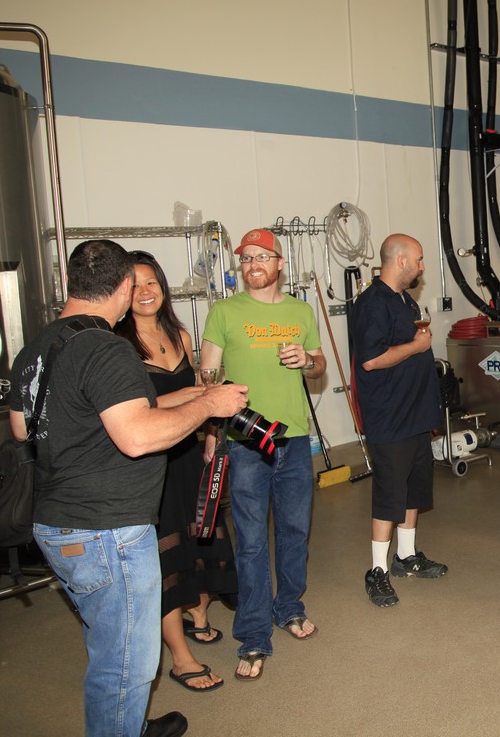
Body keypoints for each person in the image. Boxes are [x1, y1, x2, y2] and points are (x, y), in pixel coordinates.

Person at [10, 239, 247, 737]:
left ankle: (127, 724)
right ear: (123, 285)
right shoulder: (106, 347)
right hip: (107, 529)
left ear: (70, 283)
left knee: (108, 644)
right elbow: (138, 437)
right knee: (127, 666)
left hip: (55, 524)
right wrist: (209, 406)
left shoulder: (38, 346)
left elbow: (21, 427)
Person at [200, 228, 327, 681]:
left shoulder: (300, 310)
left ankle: (289, 606)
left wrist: (307, 361)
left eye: (261, 257)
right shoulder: (223, 311)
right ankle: (253, 633)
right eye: (246, 258)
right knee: (251, 542)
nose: (253, 264)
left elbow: (319, 366)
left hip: (293, 439)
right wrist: (211, 431)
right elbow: (206, 378)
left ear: (279, 264)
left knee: (295, 531)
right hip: (246, 442)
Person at [115, 250, 238, 693]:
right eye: (135, 285)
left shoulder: (180, 334)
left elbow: (204, 394)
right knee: (164, 557)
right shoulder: (119, 345)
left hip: (188, 455)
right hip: (149, 464)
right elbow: (136, 409)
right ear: (122, 292)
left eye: (152, 282)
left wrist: (212, 434)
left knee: (200, 536)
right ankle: (181, 658)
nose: (145, 292)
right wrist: (191, 396)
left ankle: (198, 611)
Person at [348, 233, 447, 608]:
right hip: (389, 417)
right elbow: (371, 360)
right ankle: (377, 570)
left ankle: (406, 557)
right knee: (390, 494)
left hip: (415, 414)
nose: (422, 266)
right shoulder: (372, 303)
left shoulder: (406, 300)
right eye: (418, 259)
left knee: (413, 490)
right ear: (401, 261)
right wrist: (416, 347)